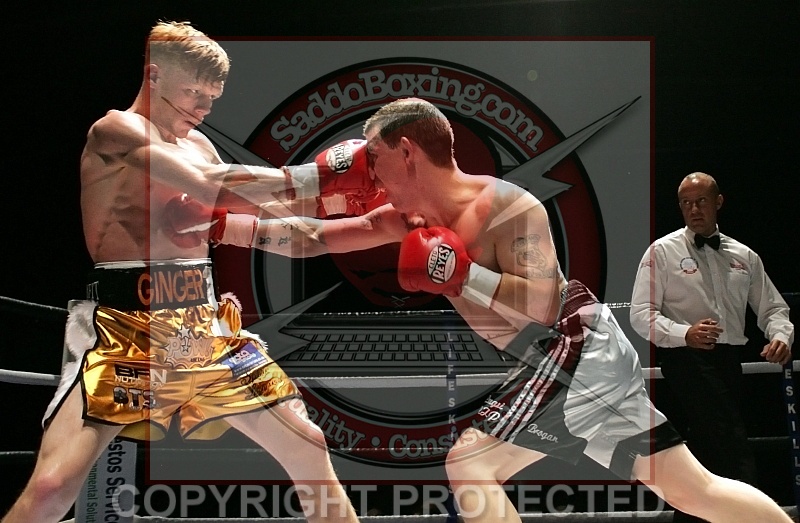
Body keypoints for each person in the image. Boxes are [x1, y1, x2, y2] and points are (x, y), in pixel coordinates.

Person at [183, 99, 793, 522]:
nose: (370, 174)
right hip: (567, 359)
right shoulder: (407, 218)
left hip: (572, 344)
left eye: (376, 157)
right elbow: (317, 238)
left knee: (469, 464)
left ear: (406, 151)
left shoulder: (508, 206)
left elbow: (543, 301)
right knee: (694, 490)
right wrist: (222, 227)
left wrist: (462, 272)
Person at [0, 21, 374, 523]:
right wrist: (319, 177)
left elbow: (252, 208)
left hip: (203, 327)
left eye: (211, 99)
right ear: (154, 75)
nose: (202, 109)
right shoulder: (116, 131)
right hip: (125, 328)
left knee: (308, 445)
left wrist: (354, 208)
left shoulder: (199, 146)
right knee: (51, 487)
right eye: (193, 93)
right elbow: (208, 184)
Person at [629, 172, 793, 522]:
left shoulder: (743, 255)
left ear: (718, 202)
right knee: (730, 441)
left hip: (729, 359)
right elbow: (640, 315)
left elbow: (773, 308)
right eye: (686, 203)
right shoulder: (662, 251)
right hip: (685, 359)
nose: (693, 209)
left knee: (707, 449)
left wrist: (780, 336)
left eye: (701, 201)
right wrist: (684, 333)